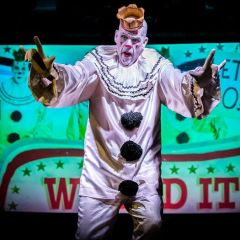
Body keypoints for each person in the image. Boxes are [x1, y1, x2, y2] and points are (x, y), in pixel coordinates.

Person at [25, 4, 226, 240]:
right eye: (123, 38)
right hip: (101, 176)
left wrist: (199, 83)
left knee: (151, 227)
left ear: (145, 41)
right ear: (115, 36)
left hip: (143, 175)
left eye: (135, 40)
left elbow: (177, 84)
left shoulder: (157, 66)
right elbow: (77, 77)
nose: (128, 45)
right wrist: (52, 75)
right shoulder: (99, 60)